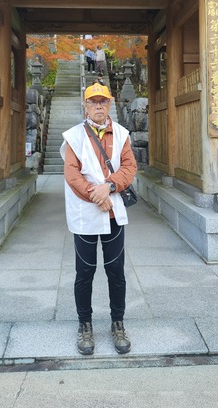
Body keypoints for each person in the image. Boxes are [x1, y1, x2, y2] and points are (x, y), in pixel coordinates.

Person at [60, 82, 137, 356]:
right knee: (85, 272)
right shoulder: (74, 136)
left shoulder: (122, 134)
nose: (98, 106)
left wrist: (110, 187)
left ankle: (118, 323)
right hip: (86, 214)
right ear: (85, 105)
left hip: (114, 213)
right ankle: (85, 324)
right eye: (93, 102)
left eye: (103, 102)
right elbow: (72, 175)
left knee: (116, 271)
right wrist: (98, 194)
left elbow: (129, 166)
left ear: (110, 104)